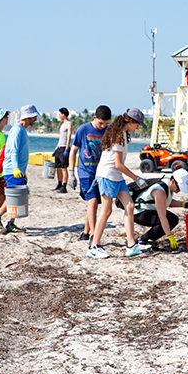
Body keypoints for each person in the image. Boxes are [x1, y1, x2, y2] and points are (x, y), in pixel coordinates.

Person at [88, 108, 151, 259]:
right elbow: (118, 164)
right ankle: (94, 247)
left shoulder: (122, 134)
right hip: (108, 175)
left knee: (129, 206)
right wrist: (136, 178)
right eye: (137, 124)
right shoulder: (117, 135)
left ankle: (131, 245)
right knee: (107, 211)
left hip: (116, 176)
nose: (138, 127)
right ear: (130, 121)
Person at [68, 105, 112, 243]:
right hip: (85, 172)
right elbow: (73, 150)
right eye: (101, 123)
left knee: (94, 204)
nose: (103, 126)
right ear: (94, 118)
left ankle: (85, 232)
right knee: (92, 201)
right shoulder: (83, 129)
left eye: (106, 123)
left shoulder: (108, 131)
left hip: (100, 173)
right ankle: (94, 234)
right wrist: (71, 172)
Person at [0, 104, 40, 233]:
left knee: (16, 197)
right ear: (28, 117)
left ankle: (10, 223)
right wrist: (15, 168)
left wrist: (22, 172)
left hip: (17, 171)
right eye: (34, 117)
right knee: (14, 198)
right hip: (11, 170)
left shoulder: (21, 130)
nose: (35, 119)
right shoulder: (17, 130)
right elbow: (13, 151)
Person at [133, 168, 188, 249]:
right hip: (139, 213)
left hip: (148, 211)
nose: (179, 191)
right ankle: (143, 240)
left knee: (173, 219)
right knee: (167, 220)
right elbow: (162, 216)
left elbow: (166, 201)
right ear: (173, 181)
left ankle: (148, 238)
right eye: (179, 188)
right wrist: (170, 236)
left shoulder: (167, 184)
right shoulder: (160, 191)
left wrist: (183, 204)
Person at [53, 108, 73, 194]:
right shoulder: (62, 125)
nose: (59, 116)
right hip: (59, 147)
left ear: (63, 114)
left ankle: (64, 186)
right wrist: (56, 148)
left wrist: (67, 149)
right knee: (58, 167)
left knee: (64, 168)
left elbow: (69, 137)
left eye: (60, 114)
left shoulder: (69, 124)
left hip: (65, 147)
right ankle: (59, 184)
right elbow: (60, 138)